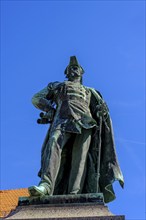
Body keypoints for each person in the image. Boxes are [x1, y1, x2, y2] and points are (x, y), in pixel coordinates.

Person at [28, 56, 124, 203]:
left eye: (76, 68)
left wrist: (101, 112)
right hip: (62, 121)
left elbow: (102, 112)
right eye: (71, 68)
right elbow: (36, 98)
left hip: (86, 124)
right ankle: (46, 185)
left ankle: (75, 193)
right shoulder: (57, 86)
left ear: (81, 72)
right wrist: (50, 109)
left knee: (80, 159)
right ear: (66, 72)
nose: (73, 70)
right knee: (54, 143)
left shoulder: (90, 91)